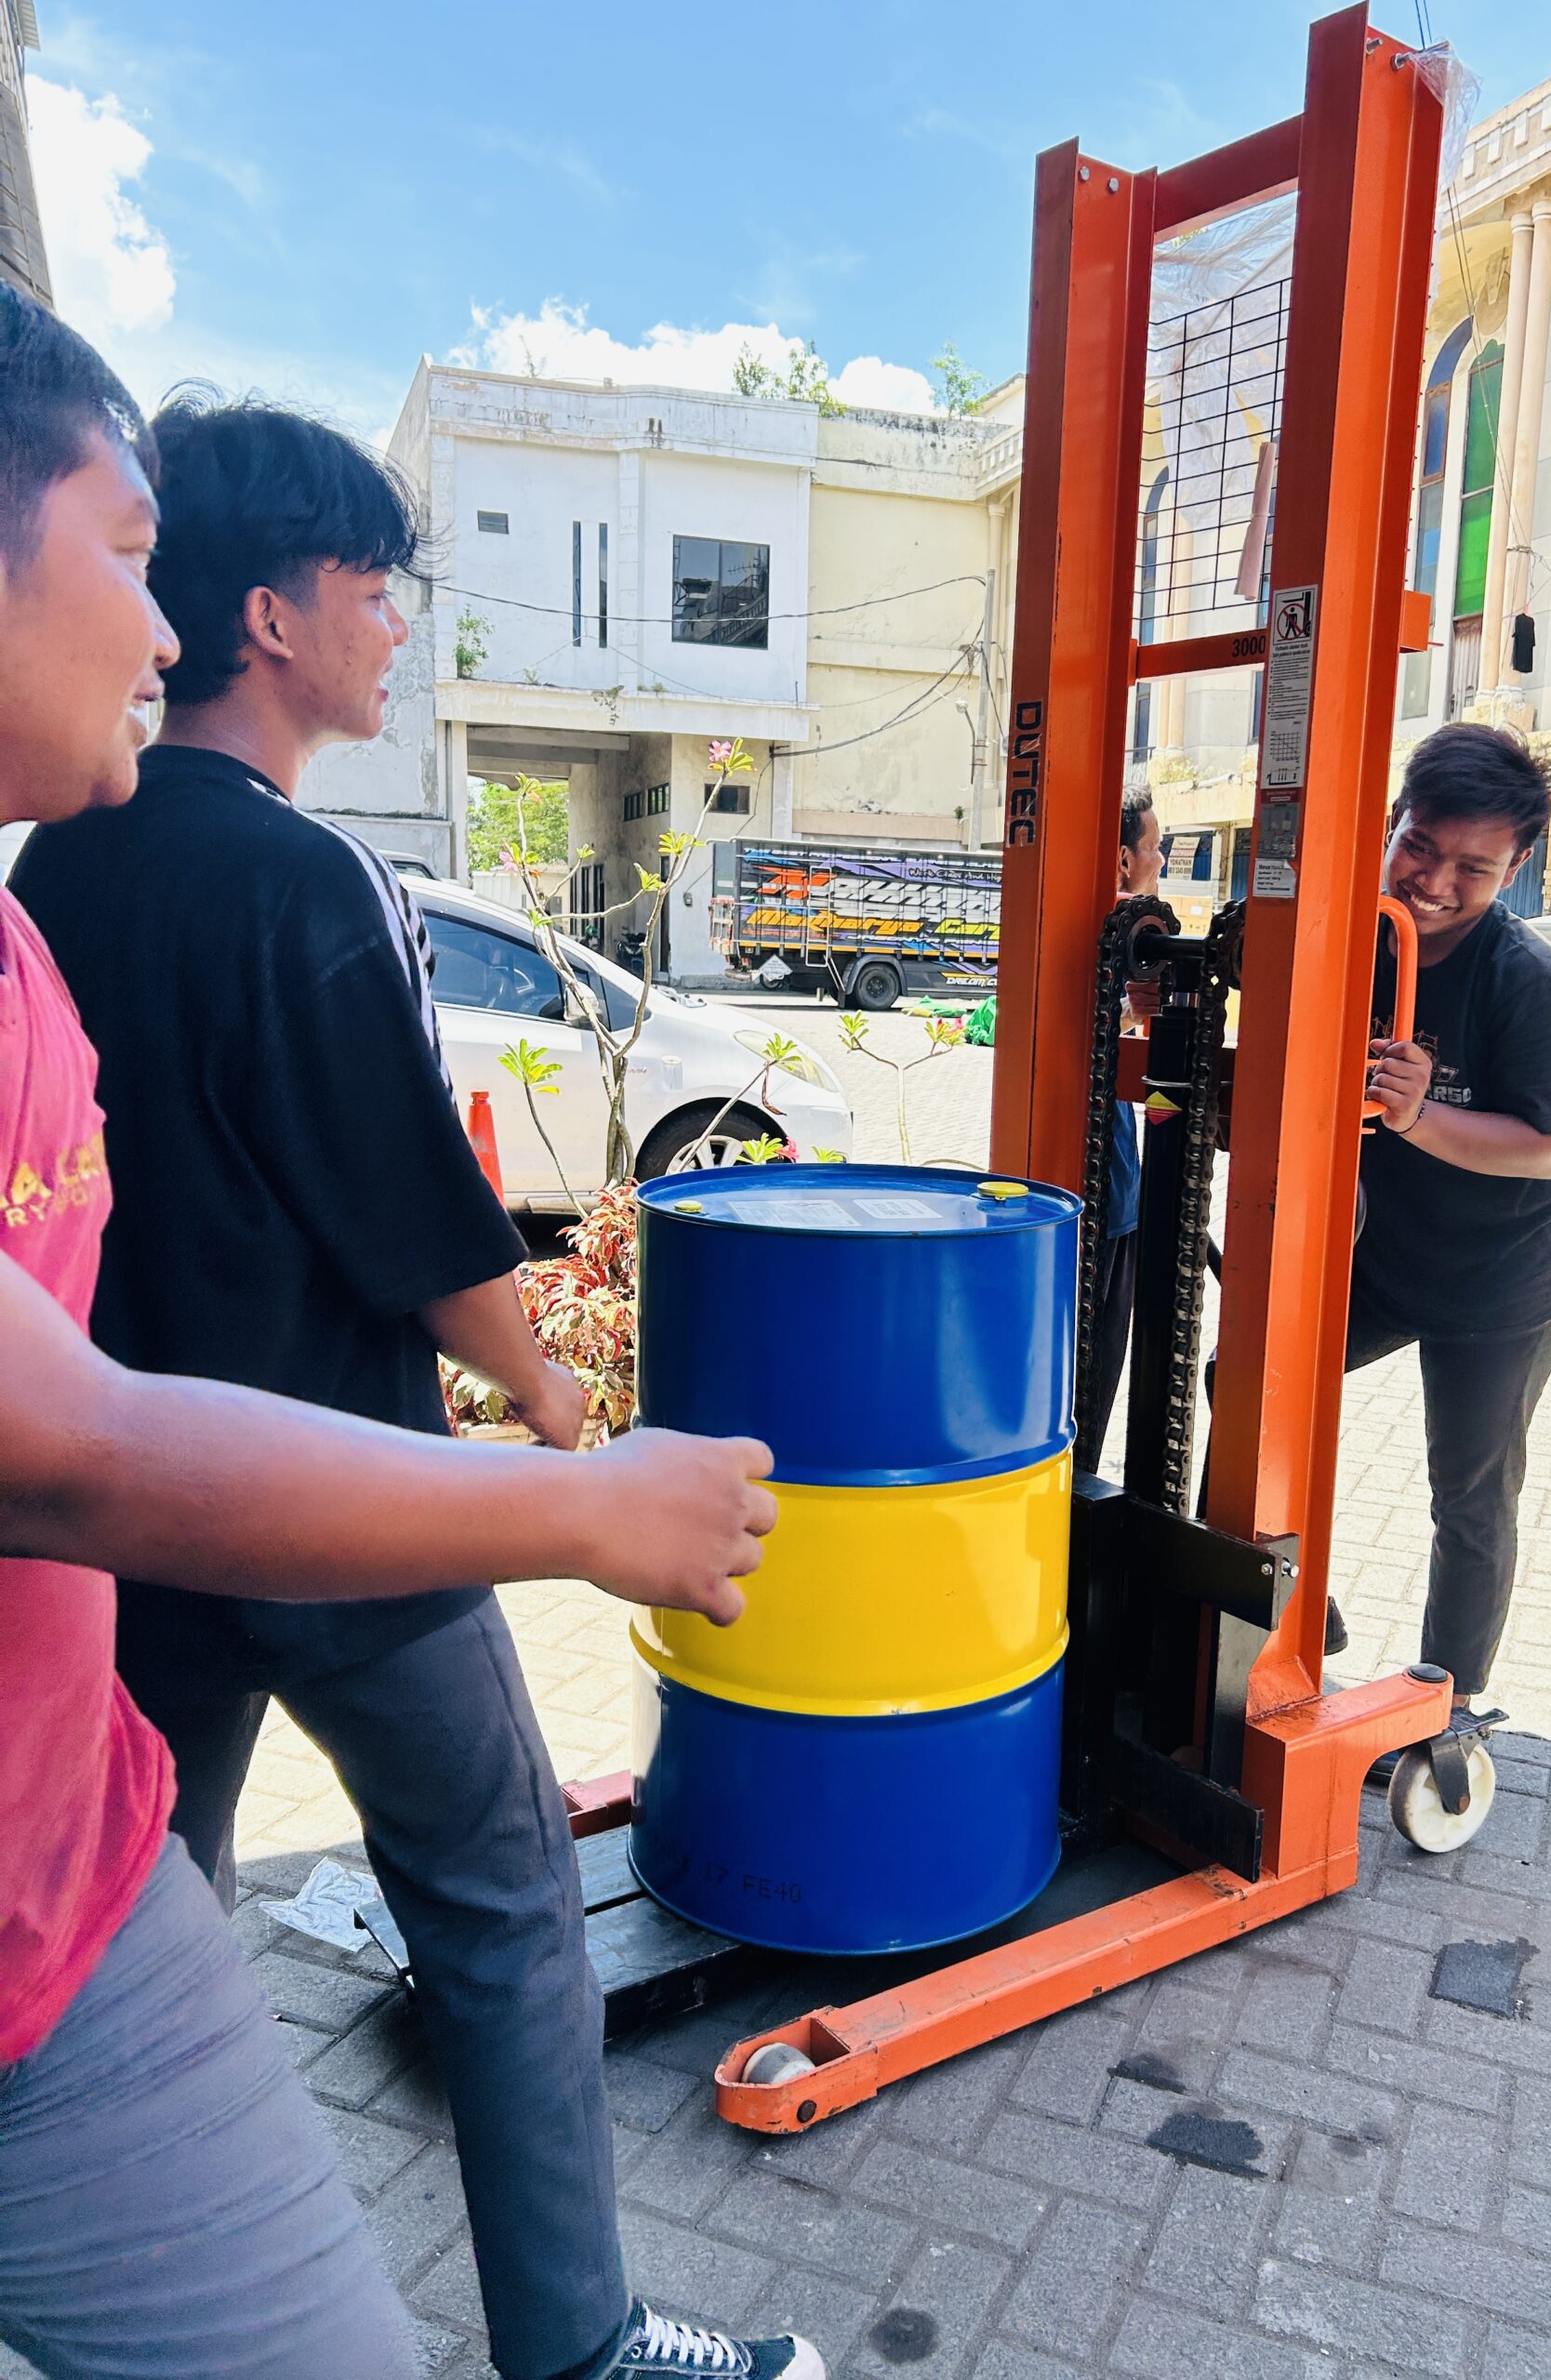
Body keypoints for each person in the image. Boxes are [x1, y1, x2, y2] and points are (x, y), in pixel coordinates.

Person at [0, 291, 820, 2380]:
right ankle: (579, 2337)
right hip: (340, 1506)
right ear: (267, 611)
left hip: (120, 1551)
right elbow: (411, 1210)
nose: (396, 631)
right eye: (377, 590)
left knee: (137, 1903)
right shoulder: (305, 878)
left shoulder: (54, 877)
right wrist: (560, 1413)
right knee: (501, 1904)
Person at [1336, 722, 1551, 1717]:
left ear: (1517, 866)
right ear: (1394, 822)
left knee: (1470, 1497)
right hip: (1387, 1258)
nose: (1436, 882)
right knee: (1247, 1379)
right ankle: (1299, 1612)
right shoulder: (1351, 940)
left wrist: (1417, 1113)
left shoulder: (1526, 978)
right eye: (1421, 847)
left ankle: (1447, 1705)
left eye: (1474, 868)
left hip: (1503, 1283)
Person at [1078, 786, 1163, 1471]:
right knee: (1095, 1368)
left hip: (1112, 1199)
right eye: (1155, 848)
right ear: (1122, 860)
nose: (1160, 859)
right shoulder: (1111, 936)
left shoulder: (1110, 938)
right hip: (1105, 1204)